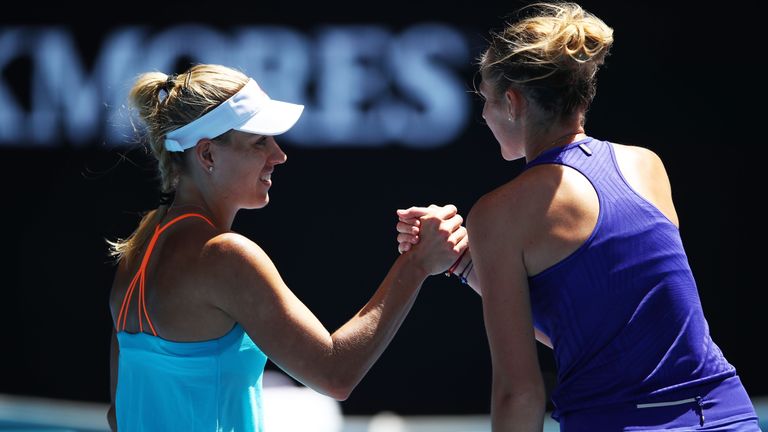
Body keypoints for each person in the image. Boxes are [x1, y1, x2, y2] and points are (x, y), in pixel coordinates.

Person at [396, 2, 761, 431]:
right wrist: (466, 265)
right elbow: (593, 334)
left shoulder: (498, 215)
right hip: (728, 416)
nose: (483, 115)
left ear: (512, 103)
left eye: (487, 101)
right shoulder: (646, 166)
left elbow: (520, 393)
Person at [106, 63, 467, 431]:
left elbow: (119, 416)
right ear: (208, 155)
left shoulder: (137, 251)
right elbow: (335, 373)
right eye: (259, 142)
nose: (279, 155)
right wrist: (417, 264)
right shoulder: (225, 256)